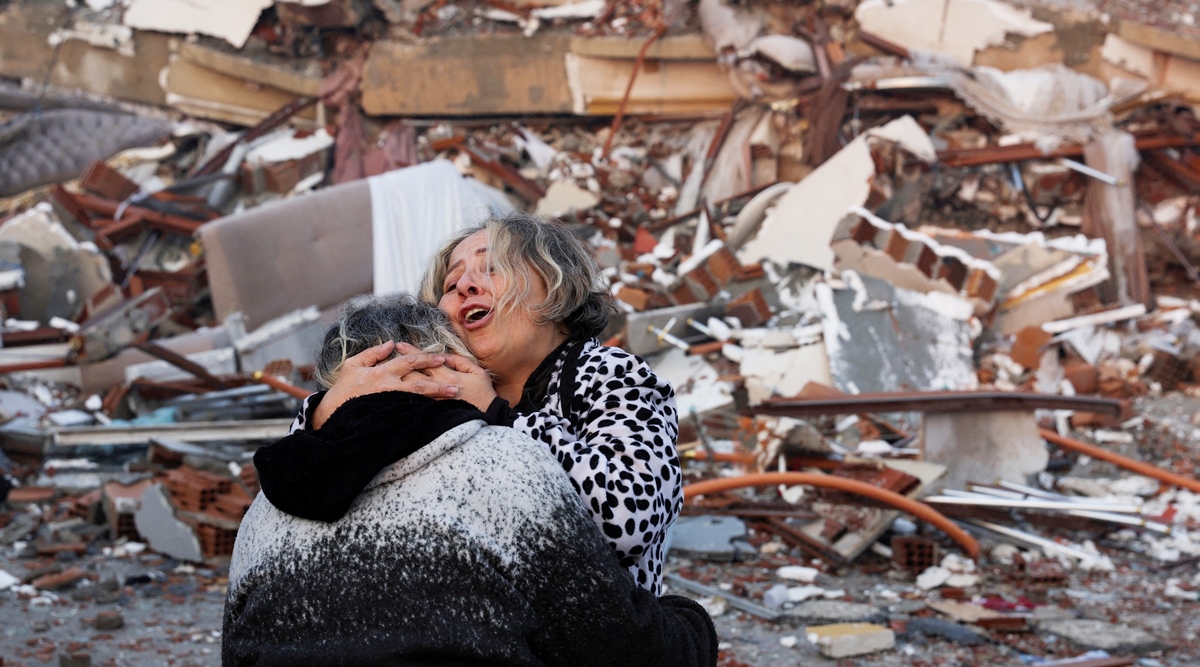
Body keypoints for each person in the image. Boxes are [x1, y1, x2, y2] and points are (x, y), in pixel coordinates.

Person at [223, 294, 717, 667]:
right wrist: (690, 621)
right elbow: (625, 650)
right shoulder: (502, 465)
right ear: (443, 363)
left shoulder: (265, 511)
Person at [270, 213, 682, 593]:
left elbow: (627, 521)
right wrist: (328, 411)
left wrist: (501, 417)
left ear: (556, 285)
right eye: (450, 285)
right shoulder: (438, 388)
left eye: (492, 268)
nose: (465, 286)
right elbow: (307, 491)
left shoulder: (610, 375)